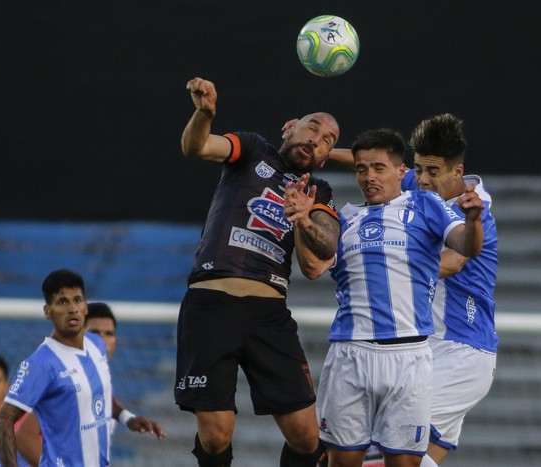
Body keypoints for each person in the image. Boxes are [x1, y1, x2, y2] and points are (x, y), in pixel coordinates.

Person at [175, 76, 341, 467]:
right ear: (290, 126)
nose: (318, 139)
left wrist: (303, 219)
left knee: (307, 437)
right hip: (212, 303)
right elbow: (195, 146)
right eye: (313, 127)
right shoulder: (252, 149)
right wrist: (204, 114)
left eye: (330, 140)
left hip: (268, 314)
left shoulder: (319, 190)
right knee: (215, 438)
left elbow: (321, 257)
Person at [314, 128, 484, 467]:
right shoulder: (342, 219)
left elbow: (467, 246)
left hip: (409, 356)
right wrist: (304, 222)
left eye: (378, 168)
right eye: (361, 168)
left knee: (405, 464)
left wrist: (473, 218)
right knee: (342, 462)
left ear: (400, 172)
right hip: (351, 353)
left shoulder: (425, 204)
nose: (368, 176)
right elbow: (312, 267)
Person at [0, 269, 163, 467]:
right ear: (47, 311)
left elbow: (99, 391)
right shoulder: (42, 363)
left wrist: (127, 418)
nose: (72, 308)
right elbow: (4, 419)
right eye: (62, 302)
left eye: (77, 300)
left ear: (85, 307)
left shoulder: (96, 344)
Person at [404, 114, 498, 466]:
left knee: (391, 448)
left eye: (432, 172)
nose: (422, 180)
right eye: (418, 169)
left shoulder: (475, 209)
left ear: (457, 172)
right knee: (414, 458)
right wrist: (321, 154)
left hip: (462, 350)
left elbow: (454, 261)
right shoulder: (420, 182)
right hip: (430, 348)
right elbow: (377, 163)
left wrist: (388, 268)